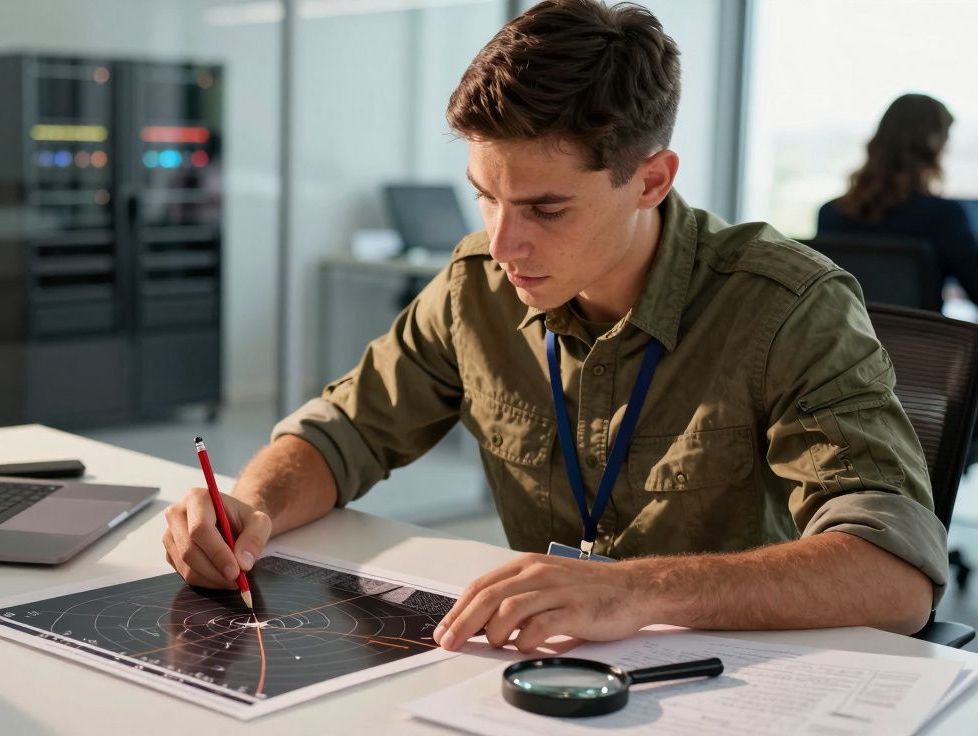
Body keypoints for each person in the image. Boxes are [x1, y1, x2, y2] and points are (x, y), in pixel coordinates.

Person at [162, 0, 948, 652]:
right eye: (486, 196)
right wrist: (254, 506)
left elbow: (897, 576)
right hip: (536, 672)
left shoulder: (788, 307)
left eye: (545, 208)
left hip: (732, 677)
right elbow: (346, 430)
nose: (504, 245)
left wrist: (637, 590)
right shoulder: (477, 285)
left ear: (651, 179)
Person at [817, 93, 978, 306]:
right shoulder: (943, 216)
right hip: (917, 339)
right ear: (933, 145)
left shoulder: (830, 214)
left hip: (847, 339)